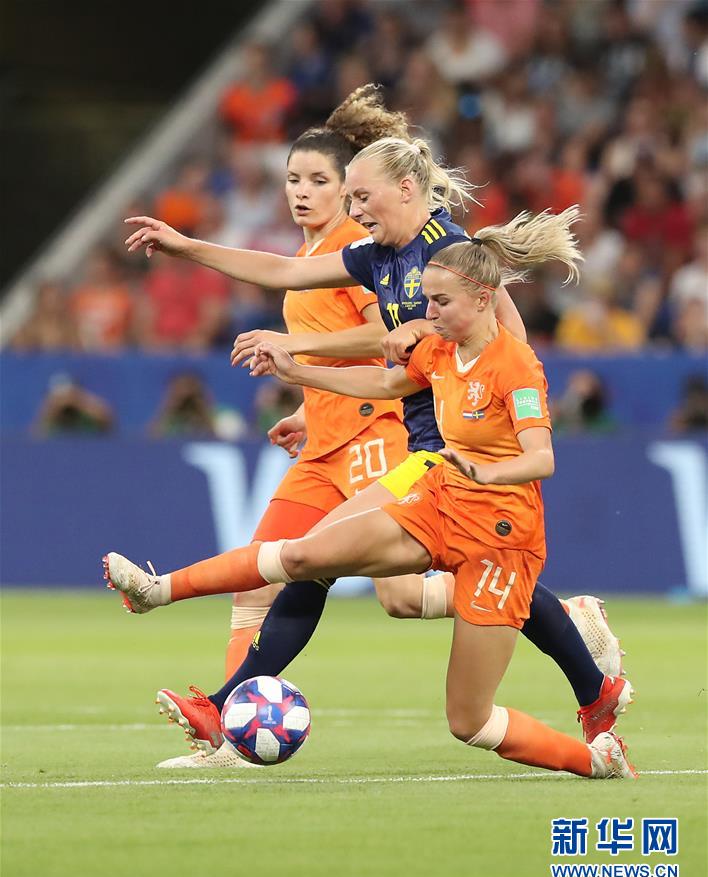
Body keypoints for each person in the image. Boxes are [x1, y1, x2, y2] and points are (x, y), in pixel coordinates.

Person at [123, 118, 628, 764]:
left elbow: (510, 344)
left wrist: (421, 341)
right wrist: (186, 247)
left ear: (408, 189)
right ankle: (593, 683)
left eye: (361, 196)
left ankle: (204, 674)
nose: (353, 209)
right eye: (350, 198)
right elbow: (286, 272)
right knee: (334, 566)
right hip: (424, 449)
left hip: (453, 457)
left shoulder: (450, 252)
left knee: (322, 563)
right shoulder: (378, 255)